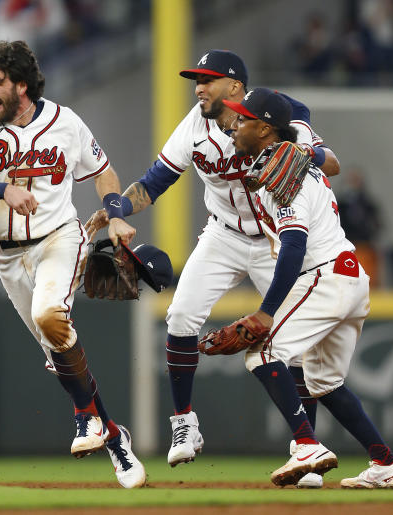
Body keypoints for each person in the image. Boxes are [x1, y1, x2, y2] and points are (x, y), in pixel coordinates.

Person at [85, 49, 339, 488]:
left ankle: (305, 449)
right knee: (180, 316)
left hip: (277, 238)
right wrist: (117, 208)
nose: (198, 87)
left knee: (293, 349)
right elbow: (153, 183)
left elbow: (329, 162)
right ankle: (184, 421)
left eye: (208, 79)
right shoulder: (194, 126)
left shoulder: (279, 116)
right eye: (195, 80)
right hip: (224, 235)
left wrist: (301, 154)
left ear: (236, 87)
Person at [0, 40, 146, 489]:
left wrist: (116, 214)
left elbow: (103, 172)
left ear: (21, 85)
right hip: (6, 254)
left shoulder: (65, 122)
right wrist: (0, 190)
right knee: (57, 345)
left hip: (58, 238)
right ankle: (112, 436)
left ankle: (85, 418)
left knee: (50, 315)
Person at [218, 87, 393, 488]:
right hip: (349, 276)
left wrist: (266, 312)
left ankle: (306, 443)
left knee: (263, 352)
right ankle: (386, 463)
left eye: (242, 119)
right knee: (324, 382)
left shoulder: (282, 173)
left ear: (265, 128)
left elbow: (293, 245)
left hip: (324, 275)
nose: (234, 125)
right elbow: (319, 152)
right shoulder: (285, 159)